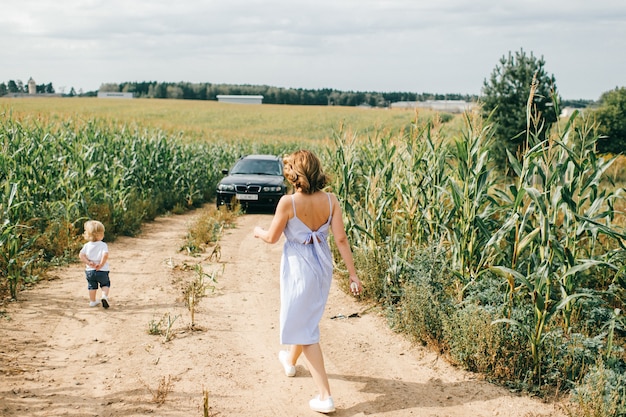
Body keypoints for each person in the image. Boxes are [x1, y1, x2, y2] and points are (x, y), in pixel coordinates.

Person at [254, 150, 363, 414]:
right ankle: (290, 362)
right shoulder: (331, 200)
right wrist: (352, 273)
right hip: (322, 267)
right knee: (304, 318)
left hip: (299, 268)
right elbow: (340, 240)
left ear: (294, 174)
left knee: (305, 328)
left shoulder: (288, 203)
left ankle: (325, 396)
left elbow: (271, 238)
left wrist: (257, 231)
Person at [79, 220, 111, 309]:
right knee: (105, 284)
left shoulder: (87, 245)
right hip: (102, 270)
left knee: (92, 285)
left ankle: (92, 301)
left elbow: (81, 255)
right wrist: (101, 264)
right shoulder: (103, 245)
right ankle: (104, 296)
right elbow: (105, 255)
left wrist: (89, 262)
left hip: (90, 270)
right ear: (100, 235)